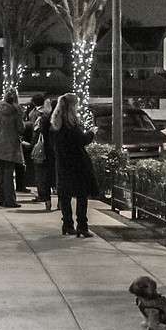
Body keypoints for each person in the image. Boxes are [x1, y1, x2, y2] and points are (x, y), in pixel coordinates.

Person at [51, 93, 98, 237]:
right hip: (77, 163)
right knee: (81, 195)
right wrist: (91, 133)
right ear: (72, 106)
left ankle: (67, 224)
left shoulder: (56, 123)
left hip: (63, 162)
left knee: (65, 195)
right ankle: (82, 226)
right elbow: (81, 140)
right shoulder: (71, 124)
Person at [0, 90, 25, 208]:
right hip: (9, 141)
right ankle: (10, 200)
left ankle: (1, 198)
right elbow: (20, 128)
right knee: (9, 172)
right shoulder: (16, 110)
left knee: (1, 171)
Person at [31, 96, 54, 210]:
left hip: (45, 150)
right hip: (56, 151)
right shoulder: (61, 120)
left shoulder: (43, 119)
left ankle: (47, 201)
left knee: (44, 177)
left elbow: (37, 132)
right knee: (55, 176)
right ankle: (60, 202)